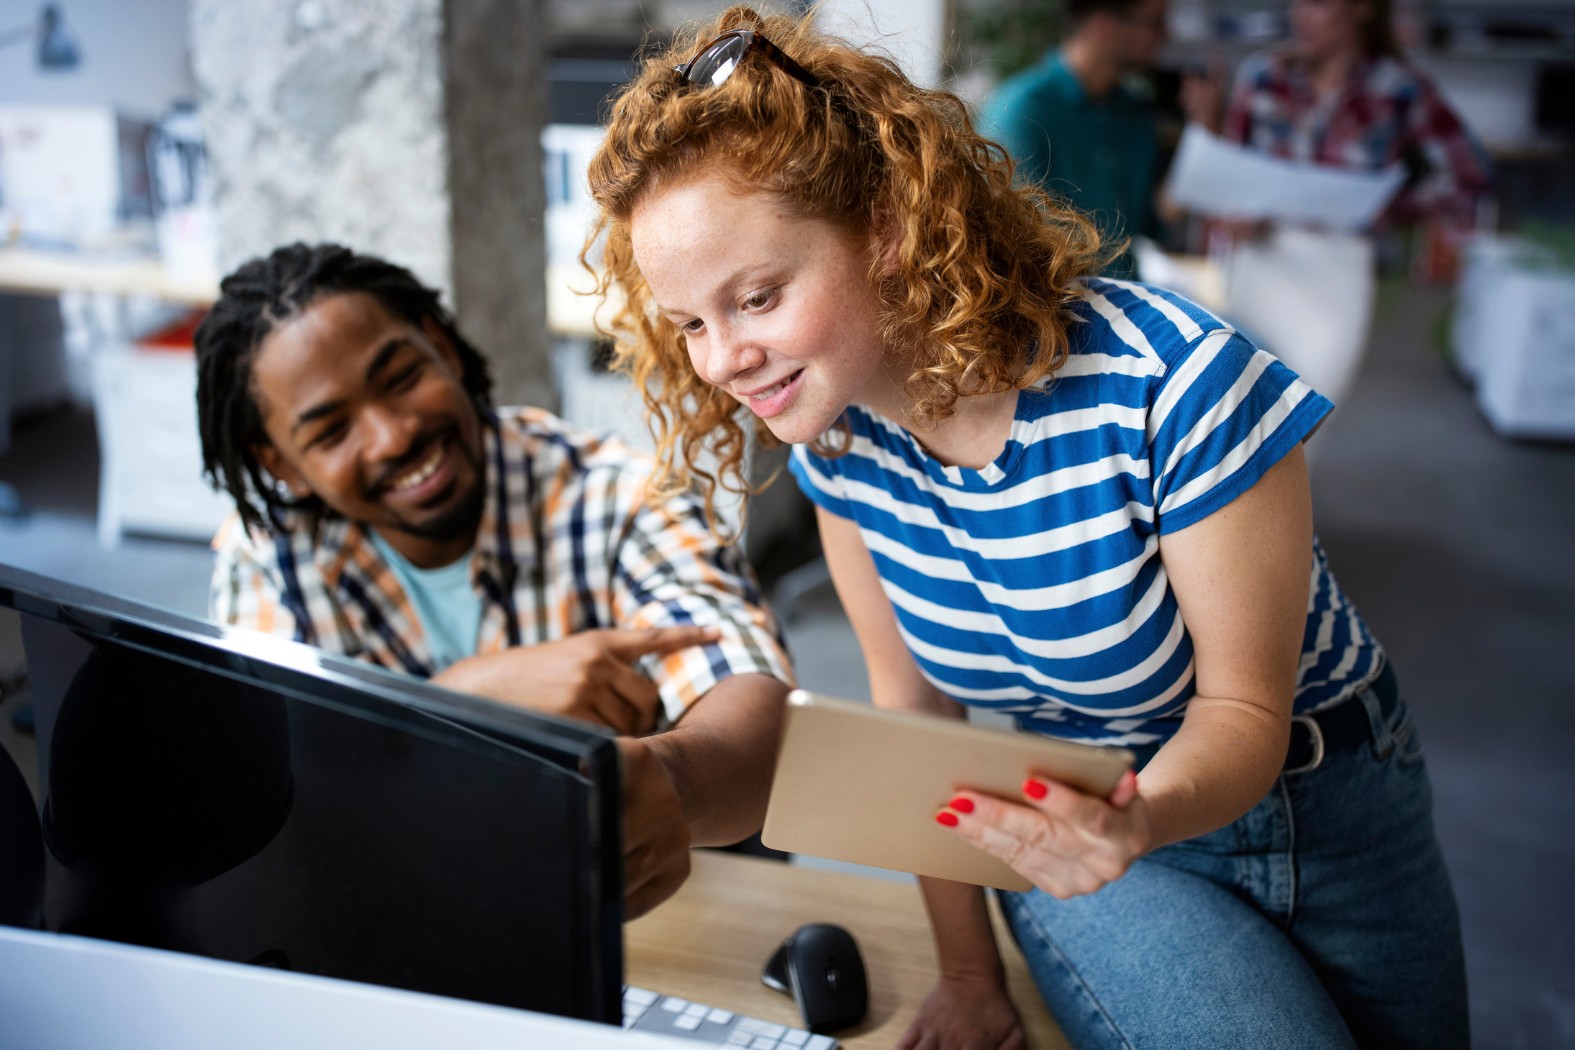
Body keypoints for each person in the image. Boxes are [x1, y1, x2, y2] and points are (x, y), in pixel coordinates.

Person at [586, 7, 1468, 1047]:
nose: (723, 357)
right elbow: (915, 730)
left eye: (759, 297)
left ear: (890, 226)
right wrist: (968, 974)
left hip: (1326, 801)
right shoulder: (841, 453)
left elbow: (1241, 712)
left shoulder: (1174, 383)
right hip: (1082, 828)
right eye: (691, 323)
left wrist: (1132, 818)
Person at [194, 242, 793, 919]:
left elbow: (758, 708)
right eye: (332, 430)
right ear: (282, 464)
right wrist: (463, 698)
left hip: (660, 907)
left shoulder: (619, 495)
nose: (392, 436)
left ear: (442, 349)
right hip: (415, 908)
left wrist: (667, 783)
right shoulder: (269, 558)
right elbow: (278, 795)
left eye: (399, 378)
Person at [1183, 0, 1490, 242]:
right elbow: (1229, 181)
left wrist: (1387, 210)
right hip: (1263, 258)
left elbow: (1469, 174)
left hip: (1350, 268)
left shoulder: (1399, 90)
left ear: (1363, 7)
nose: (1299, 14)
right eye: (1296, 1)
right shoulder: (1263, 79)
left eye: (1317, 2)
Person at [978, 0, 1172, 278]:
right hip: (1058, 310)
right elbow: (1004, 249)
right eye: (1155, 23)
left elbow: (1146, 223)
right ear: (1104, 28)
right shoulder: (1021, 112)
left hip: (1129, 303)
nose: (1166, 35)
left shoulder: (1135, 112)